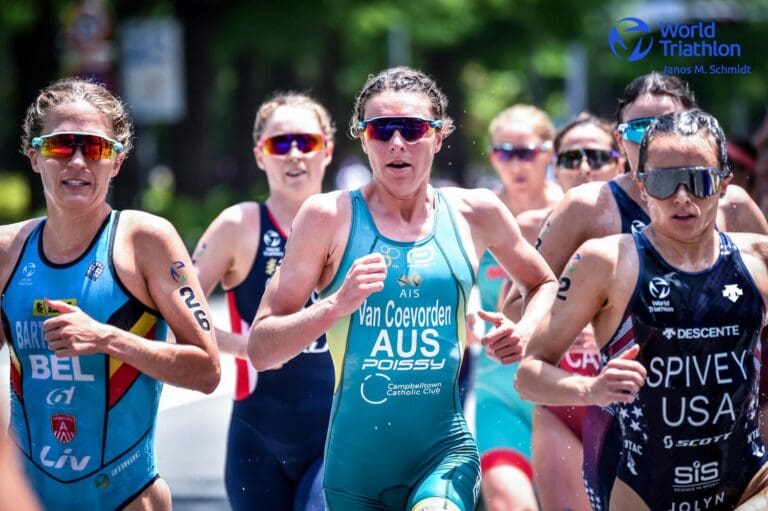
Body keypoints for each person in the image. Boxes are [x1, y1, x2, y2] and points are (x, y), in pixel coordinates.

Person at [248, 66, 558, 511]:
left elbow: (542, 281)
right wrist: (336, 304)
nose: (396, 143)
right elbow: (262, 348)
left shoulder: (476, 212)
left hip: (444, 454)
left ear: (438, 135)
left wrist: (524, 331)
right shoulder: (327, 217)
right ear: (362, 137)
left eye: (412, 129)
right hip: (355, 468)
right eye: (381, 130)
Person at [514, 72, 768, 510]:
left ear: (725, 183)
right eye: (666, 183)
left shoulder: (760, 257)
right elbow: (527, 375)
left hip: (748, 477)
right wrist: (590, 388)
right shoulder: (604, 260)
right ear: (643, 185)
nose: (683, 198)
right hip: (641, 484)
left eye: (699, 180)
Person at [0, 78, 220, 510]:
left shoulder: (145, 242)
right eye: (62, 146)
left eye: (96, 148)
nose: (78, 162)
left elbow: (207, 370)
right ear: (34, 156)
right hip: (26, 499)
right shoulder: (7, 251)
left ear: (116, 162)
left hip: (126, 499)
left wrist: (106, 338)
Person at [193, 92, 335, 510]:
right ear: (260, 155)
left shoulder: (353, 218)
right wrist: (246, 348)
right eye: (280, 144)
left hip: (338, 432)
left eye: (306, 142)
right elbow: (178, 309)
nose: (294, 154)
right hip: (257, 434)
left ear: (326, 149)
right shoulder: (239, 225)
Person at [513, 112, 622, 511]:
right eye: (571, 158)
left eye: (595, 156)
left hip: (633, 399)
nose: (584, 168)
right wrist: (558, 320)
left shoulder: (649, 225)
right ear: (555, 168)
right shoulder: (535, 227)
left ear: (620, 160)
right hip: (563, 399)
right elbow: (512, 312)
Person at [473, 104, 562, 511]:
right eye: (504, 153)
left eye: (527, 152)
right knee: (512, 504)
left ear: (549, 152)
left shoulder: (572, 214)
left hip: (564, 392)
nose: (516, 163)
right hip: (499, 392)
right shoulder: (480, 219)